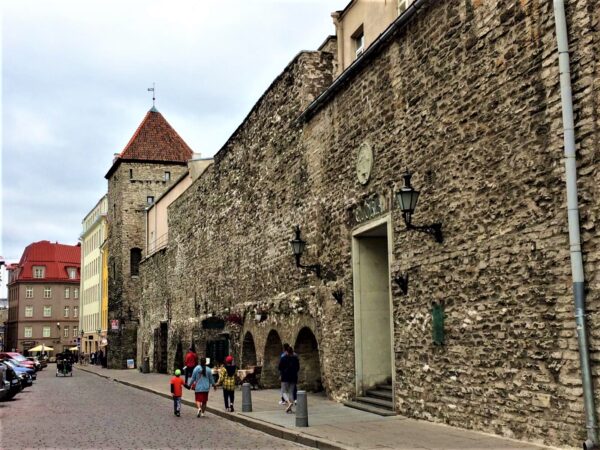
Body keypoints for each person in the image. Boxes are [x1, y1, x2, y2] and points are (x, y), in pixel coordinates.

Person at [278, 346, 300, 413]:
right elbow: (298, 368)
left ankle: (288, 402)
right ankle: (290, 408)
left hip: (285, 377)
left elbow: (279, 367)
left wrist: (282, 374)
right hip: (293, 377)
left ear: (286, 351)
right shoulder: (295, 358)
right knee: (291, 392)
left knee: (283, 391)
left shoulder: (283, 358)